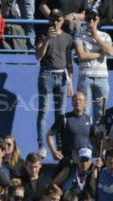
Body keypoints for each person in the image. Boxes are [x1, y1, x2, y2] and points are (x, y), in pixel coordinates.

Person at [35, 10, 73, 158]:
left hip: (62, 76)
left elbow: (69, 61)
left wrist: (70, 81)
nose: (55, 23)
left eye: (57, 20)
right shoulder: (43, 34)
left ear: (62, 20)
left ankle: (59, 145)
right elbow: (38, 56)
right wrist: (46, 40)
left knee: (60, 113)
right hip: (47, 74)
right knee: (43, 111)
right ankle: (41, 146)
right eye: (52, 20)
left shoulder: (68, 37)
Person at [75, 9, 113, 122]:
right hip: (85, 77)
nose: (91, 21)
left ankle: (98, 139)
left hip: (102, 79)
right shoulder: (79, 35)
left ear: (98, 19)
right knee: (84, 111)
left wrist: (96, 36)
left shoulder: (105, 36)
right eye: (88, 19)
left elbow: (110, 52)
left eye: (94, 19)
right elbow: (81, 55)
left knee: (101, 113)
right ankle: (84, 139)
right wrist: (100, 53)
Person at [47, 91, 94, 165]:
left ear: (85, 103)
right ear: (72, 103)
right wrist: (54, 151)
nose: (77, 102)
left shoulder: (89, 119)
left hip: (85, 161)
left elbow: (94, 138)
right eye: (75, 100)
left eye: (80, 100)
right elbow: (49, 135)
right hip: (68, 161)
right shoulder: (65, 118)